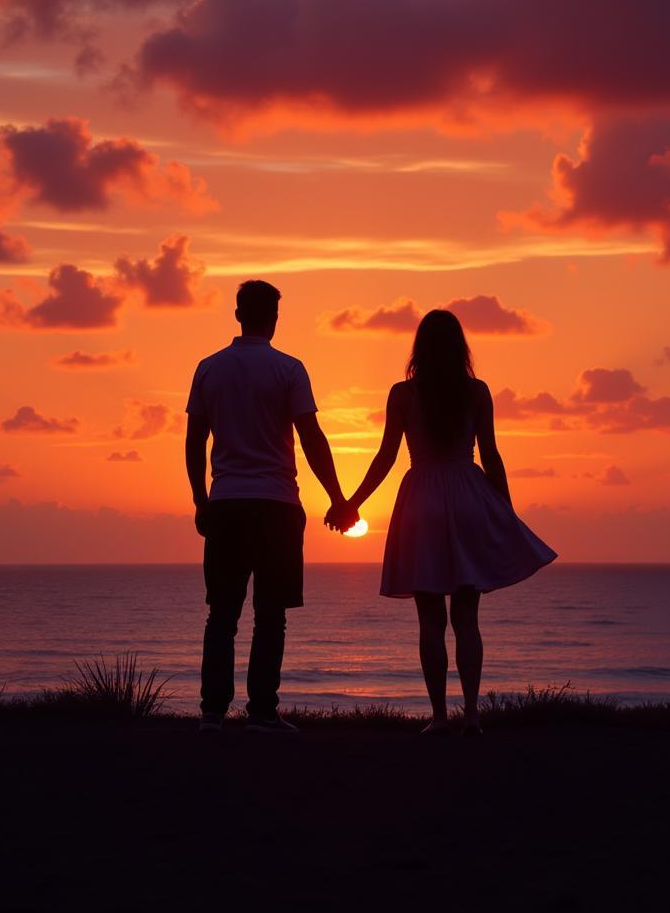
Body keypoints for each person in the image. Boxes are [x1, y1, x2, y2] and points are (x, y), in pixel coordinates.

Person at [335, 309, 557, 735]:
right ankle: (471, 715)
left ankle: (439, 717)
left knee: (430, 620)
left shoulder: (402, 394)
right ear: (460, 347)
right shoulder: (476, 392)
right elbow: (490, 455)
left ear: (419, 348)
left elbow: (385, 457)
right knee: (467, 618)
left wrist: (352, 503)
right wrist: (506, 511)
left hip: (421, 500)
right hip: (468, 494)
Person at [186, 280, 358, 734]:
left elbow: (194, 442)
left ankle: (211, 713)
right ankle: (262, 711)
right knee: (271, 614)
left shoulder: (208, 369)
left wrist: (200, 501)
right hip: (277, 505)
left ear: (238, 314)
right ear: (274, 319)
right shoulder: (289, 369)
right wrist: (338, 498)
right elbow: (312, 440)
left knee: (221, 614)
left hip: (226, 504)